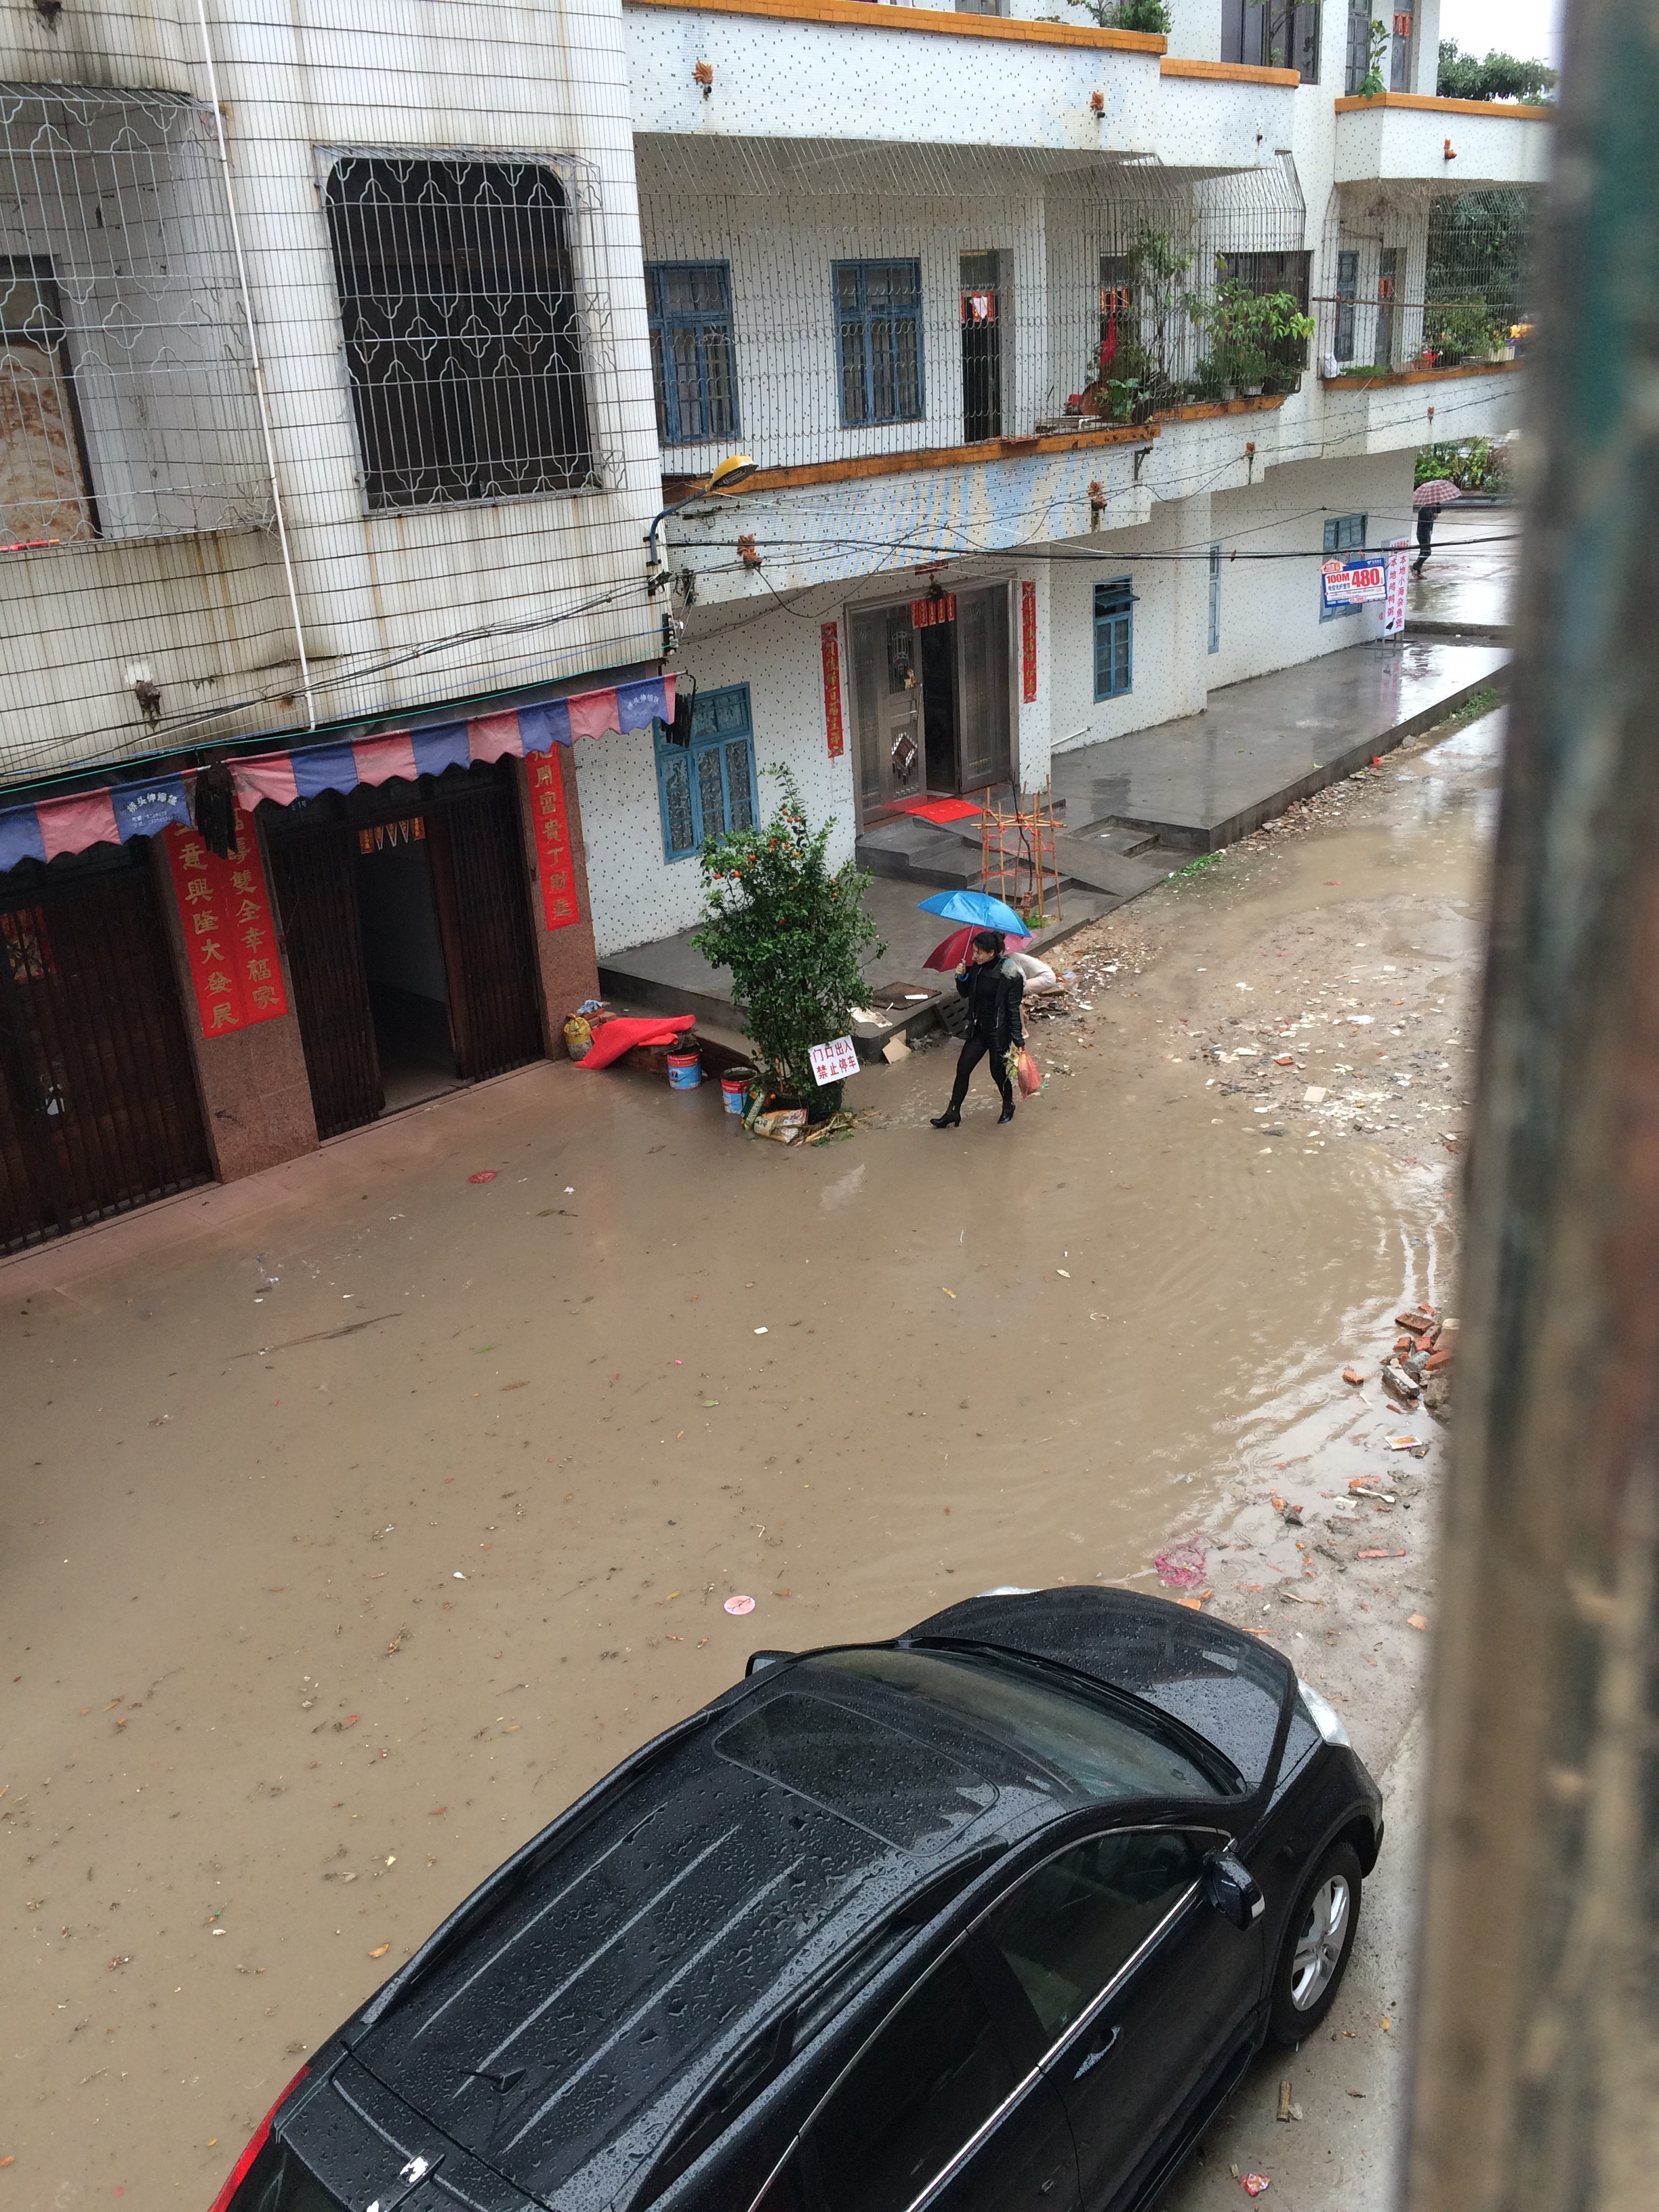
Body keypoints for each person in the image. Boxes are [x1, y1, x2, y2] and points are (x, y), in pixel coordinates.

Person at [931, 930, 1025, 1128]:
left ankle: (1008, 1104)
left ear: (991, 953)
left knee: (997, 1072)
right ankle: (953, 1112)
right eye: (973, 951)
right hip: (978, 1029)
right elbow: (966, 994)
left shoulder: (1011, 975)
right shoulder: (976, 968)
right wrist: (961, 978)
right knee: (963, 1068)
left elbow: (1013, 1008)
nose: (974, 956)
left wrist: (1018, 1038)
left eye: (979, 953)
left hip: (999, 1032)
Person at [1412, 503, 1437, 576]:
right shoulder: (1423, 510)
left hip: (1428, 533)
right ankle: (1415, 566)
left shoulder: (1431, 508)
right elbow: (1425, 522)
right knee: (1427, 552)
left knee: (1423, 552)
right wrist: (1433, 518)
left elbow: (1439, 511)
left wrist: (1437, 506)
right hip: (1423, 534)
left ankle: (1418, 570)